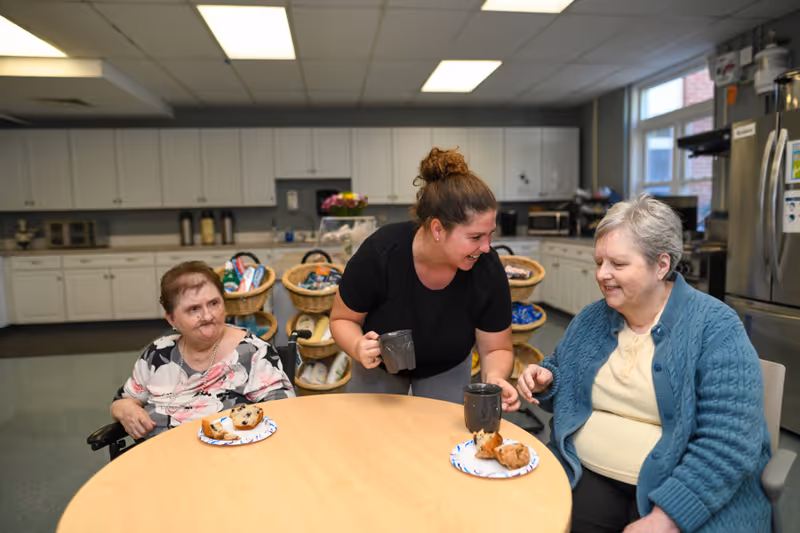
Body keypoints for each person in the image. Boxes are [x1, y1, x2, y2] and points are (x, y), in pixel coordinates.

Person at [517, 195, 771, 533]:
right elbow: (563, 378)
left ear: (661, 265)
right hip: (584, 474)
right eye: (599, 262)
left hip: (680, 490)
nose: (602, 275)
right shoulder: (591, 319)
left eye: (618, 264)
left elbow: (730, 442)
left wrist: (667, 518)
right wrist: (548, 379)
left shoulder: (714, 327)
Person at [331, 148, 519, 410]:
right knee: (370, 440)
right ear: (438, 229)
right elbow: (342, 319)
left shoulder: (487, 268)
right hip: (378, 368)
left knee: (442, 440)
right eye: (476, 237)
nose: (487, 247)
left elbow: (495, 349)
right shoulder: (382, 251)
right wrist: (356, 345)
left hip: (448, 367)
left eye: (490, 235)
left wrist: (496, 377)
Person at [111, 261, 295, 440]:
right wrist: (127, 409)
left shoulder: (253, 353)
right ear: (172, 319)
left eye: (214, 303)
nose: (207, 316)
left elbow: (282, 412)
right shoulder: (158, 353)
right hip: (156, 459)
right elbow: (123, 401)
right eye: (193, 309)